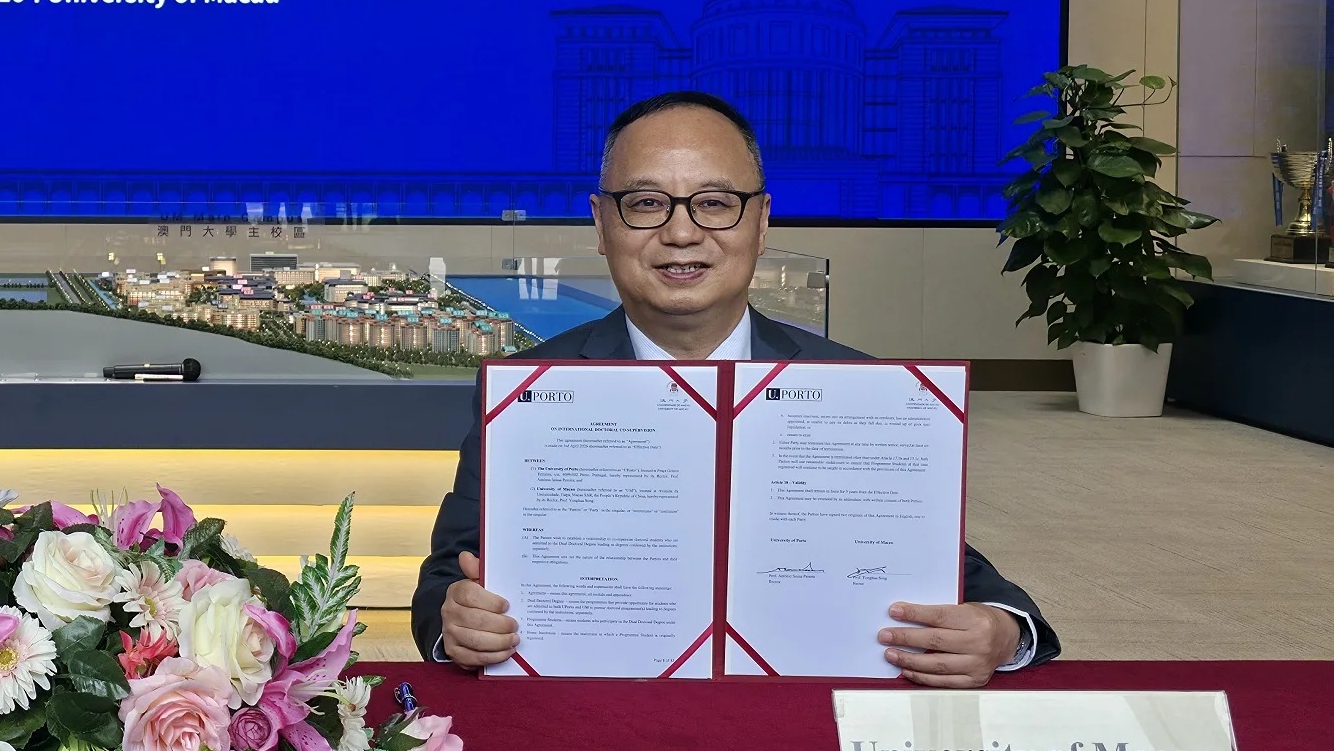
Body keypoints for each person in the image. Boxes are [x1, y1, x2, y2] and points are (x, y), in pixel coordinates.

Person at [414, 89, 1058, 686]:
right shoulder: (530, 391)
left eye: (715, 202)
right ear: (601, 222)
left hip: (807, 727)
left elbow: (969, 582)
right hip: (596, 722)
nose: (682, 233)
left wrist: (1002, 632)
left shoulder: (865, 393)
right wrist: (456, 626)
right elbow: (445, 580)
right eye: (645, 203)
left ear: (762, 220)